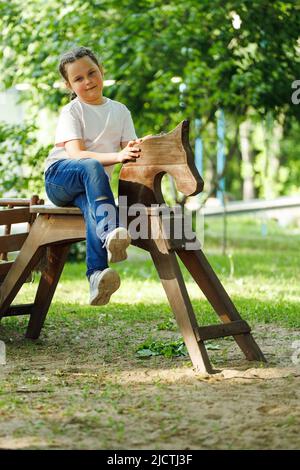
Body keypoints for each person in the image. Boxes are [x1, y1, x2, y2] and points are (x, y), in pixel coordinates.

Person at [44, 46, 143, 306]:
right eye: (78, 79)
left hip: (90, 186)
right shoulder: (72, 111)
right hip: (59, 178)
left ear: (102, 71)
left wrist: (136, 148)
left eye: (92, 73)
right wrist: (119, 156)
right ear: (69, 85)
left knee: (92, 207)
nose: (88, 81)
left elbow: (132, 149)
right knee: (91, 165)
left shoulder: (120, 111)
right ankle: (111, 231)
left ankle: (96, 276)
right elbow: (76, 154)